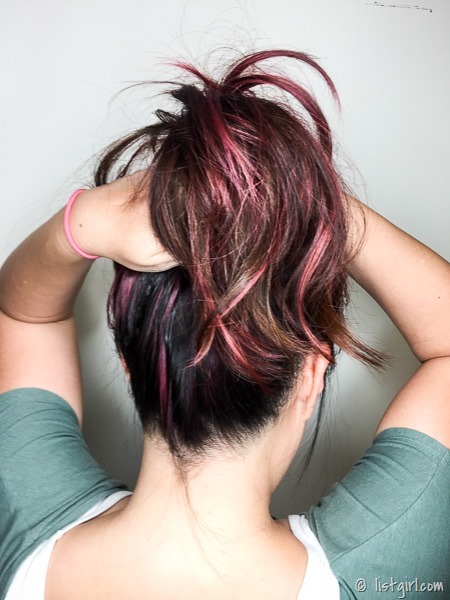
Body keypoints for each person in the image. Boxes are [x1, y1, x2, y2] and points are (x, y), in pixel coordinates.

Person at [0, 50, 448, 600]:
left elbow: (23, 314)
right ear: (311, 375)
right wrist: (313, 203)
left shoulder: (25, 517)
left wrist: (85, 219)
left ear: (131, 363)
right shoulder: (378, 573)